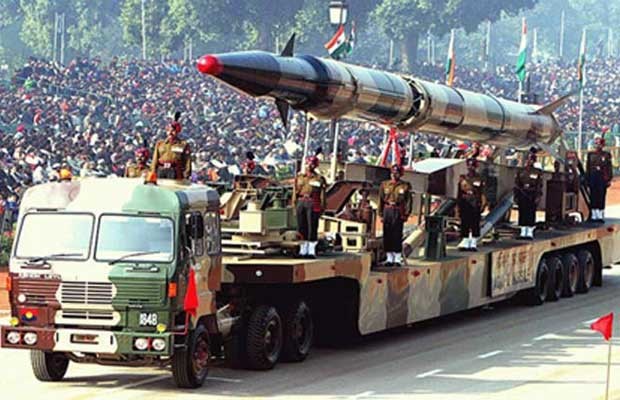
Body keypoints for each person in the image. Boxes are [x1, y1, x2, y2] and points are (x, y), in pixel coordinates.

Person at [292, 155, 327, 258]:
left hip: (312, 203)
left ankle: (311, 251)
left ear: (315, 165)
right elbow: (295, 192)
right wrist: (294, 205)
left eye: (312, 164)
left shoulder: (319, 179)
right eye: (308, 163)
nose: (310, 165)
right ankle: (303, 250)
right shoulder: (299, 177)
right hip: (301, 202)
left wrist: (322, 207)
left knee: (312, 226)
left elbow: (322, 195)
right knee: (301, 227)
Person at [378, 164, 412, 266]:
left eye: (396, 173)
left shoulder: (405, 186)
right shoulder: (384, 184)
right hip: (387, 210)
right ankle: (389, 258)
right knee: (387, 233)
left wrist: (406, 214)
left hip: (398, 210)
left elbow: (408, 201)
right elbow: (381, 200)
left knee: (397, 234)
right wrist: (380, 214)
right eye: (392, 173)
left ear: (400, 174)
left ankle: (397, 258)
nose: (393, 175)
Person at [151, 112, 192, 180]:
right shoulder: (160, 144)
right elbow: (155, 159)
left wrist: (187, 174)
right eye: (168, 130)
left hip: (175, 171)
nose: (170, 133)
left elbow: (187, 160)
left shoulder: (183, 144)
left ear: (177, 131)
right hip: (161, 170)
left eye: (173, 131)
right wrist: (153, 171)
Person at [457, 158, 486, 250]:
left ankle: (473, 242)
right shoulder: (463, 178)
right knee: (465, 222)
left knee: (475, 223)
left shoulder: (479, 178)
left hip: (475, 202)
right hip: (465, 202)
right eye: (469, 165)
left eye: (472, 165)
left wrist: (483, 203)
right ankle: (465, 241)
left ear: (476, 167)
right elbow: (459, 193)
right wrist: (458, 206)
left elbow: (482, 192)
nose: (470, 167)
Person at [514, 151, 543, 239]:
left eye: (531, 159)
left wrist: (538, 196)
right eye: (528, 159)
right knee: (522, 212)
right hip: (523, 193)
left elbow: (539, 185)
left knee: (531, 212)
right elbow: (517, 184)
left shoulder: (537, 172)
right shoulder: (521, 171)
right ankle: (523, 231)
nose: (529, 161)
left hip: (532, 194)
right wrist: (516, 195)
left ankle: (529, 232)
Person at [586, 136, 613, 222]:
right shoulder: (591, 155)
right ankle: (594, 215)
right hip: (593, 177)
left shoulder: (606, 155)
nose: (598, 146)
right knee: (593, 195)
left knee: (601, 195)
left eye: (599, 144)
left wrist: (609, 179)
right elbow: (588, 168)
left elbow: (609, 168)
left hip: (602, 177)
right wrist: (587, 178)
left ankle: (600, 215)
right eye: (596, 144)